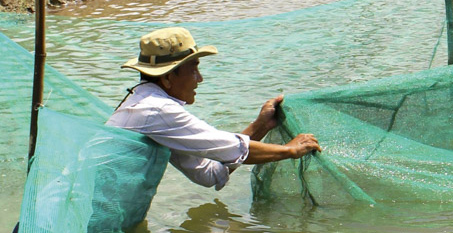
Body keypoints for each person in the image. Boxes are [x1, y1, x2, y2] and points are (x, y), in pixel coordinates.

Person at [106, 26, 321, 190]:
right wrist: (290, 150)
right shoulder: (157, 110)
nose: (200, 79)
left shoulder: (142, 102)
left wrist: (261, 126)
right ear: (169, 77)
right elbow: (233, 150)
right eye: (194, 70)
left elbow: (210, 173)